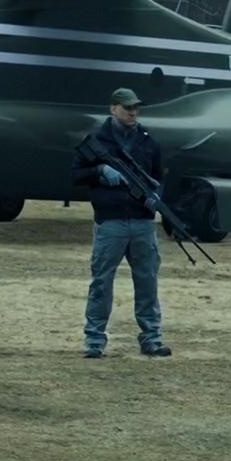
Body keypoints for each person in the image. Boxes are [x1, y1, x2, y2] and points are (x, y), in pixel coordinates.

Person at [69, 87, 172, 359]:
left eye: (135, 107)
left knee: (147, 281)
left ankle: (151, 338)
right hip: (111, 221)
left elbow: (158, 177)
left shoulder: (148, 142)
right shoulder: (97, 140)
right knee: (102, 282)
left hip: (142, 223)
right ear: (113, 109)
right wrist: (100, 171)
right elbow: (76, 174)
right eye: (127, 108)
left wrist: (155, 197)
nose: (133, 112)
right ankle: (94, 340)